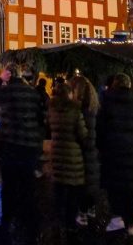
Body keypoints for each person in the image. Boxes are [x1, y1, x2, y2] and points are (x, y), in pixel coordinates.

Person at [0, 63, 44, 245]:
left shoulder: (6, 91)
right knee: (27, 188)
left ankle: (6, 225)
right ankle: (31, 227)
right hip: (29, 148)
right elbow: (40, 120)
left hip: (10, 147)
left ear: (9, 74)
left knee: (8, 188)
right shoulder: (32, 93)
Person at [97, 73, 133, 236]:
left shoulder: (106, 102)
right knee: (129, 190)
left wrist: (100, 148)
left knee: (114, 187)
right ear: (129, 84)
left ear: (114, 84)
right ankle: (132, 224)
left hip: (112, 152)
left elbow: (100, 129)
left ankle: (117, 218)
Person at [47, 82, 87, 231]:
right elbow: (82, 134)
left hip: (57, 153)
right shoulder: (75, 110)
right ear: (69, 94)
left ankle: (57, 221)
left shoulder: (52, 110)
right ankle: (70, 223)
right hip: (72, 155)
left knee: (58, 189)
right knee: (72, 191)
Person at [68, 75, 100, 227]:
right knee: (91, 180)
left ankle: (82, 213)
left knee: (81, 183)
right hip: (93, 151)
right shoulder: (94, 107)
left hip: (80, 151)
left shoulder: (76, 109)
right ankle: (91, 207)